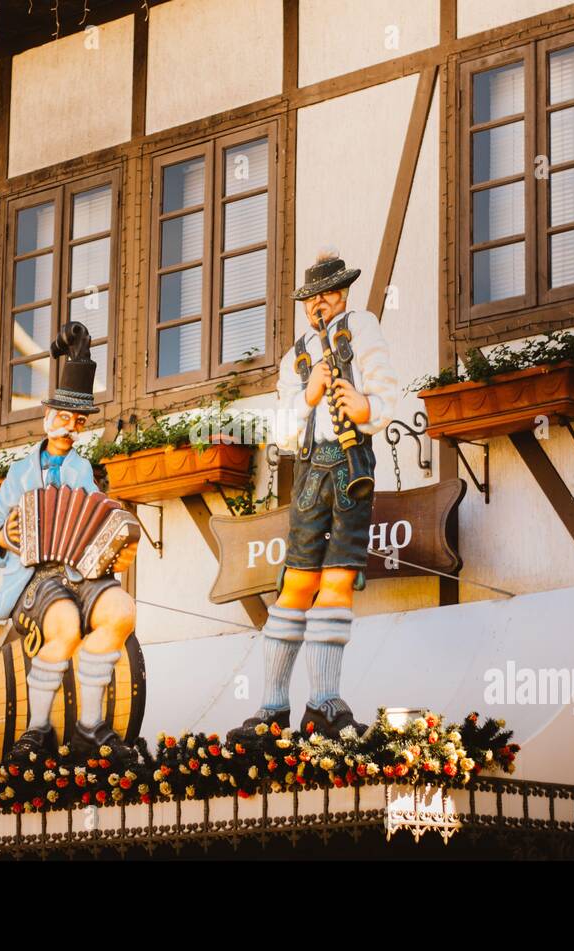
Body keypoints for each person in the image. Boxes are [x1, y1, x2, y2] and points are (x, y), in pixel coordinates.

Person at [229, 248, 400, 742]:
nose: (316, 306)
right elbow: (281, 434)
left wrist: (363, 403)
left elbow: (387, 395)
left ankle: (323, 702)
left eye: (324, 296)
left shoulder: (362, 329)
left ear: (341, 295)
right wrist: (308, 395)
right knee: (297, 584)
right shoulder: (296, 356)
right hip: (309, 473)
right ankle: (272, 706)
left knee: (338, 581)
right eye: (309, 299)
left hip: (350, 467)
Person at [0, 322, 138, 762]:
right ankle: (37, 728)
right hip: (36, 576)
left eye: (79, 422)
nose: (71, 429)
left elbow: (97, 521)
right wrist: (3, 535)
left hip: (78, 571)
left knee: (121, 611)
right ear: (48, 416)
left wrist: (118, 544)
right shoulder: (18, 474)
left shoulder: (83, 472)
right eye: (65, 419)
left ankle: (89, 725)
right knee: (65, 626)